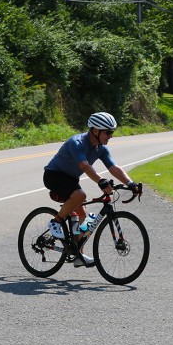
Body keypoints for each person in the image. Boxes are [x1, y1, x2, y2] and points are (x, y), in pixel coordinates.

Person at [43, 112, 139, 267]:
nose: (111, 136)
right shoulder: (77, 142)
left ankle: (77, 254)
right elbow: (84, 166)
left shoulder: (100, 148)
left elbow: (114, 167)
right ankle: (56, 222)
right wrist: (100, 181)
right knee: (81, 195)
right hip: (54, 175)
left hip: (70, 179)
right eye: (108, 132)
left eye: (112, 132)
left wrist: (131, 183)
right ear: (95, 131)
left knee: (83, 217)